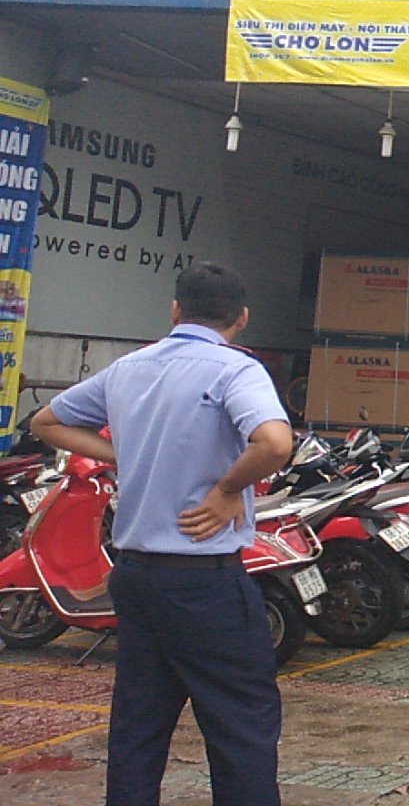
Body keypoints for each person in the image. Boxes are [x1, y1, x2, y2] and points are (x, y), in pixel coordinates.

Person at [31, 263, 293, 806]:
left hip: (135, 577)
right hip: (205, 582)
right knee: (241, 729)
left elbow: (46, 422)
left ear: (175, 311)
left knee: (139, 727)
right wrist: (226, 490)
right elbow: (273, 443)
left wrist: (123, 455)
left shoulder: (129, 368)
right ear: (242, 318)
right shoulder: (236, 370)